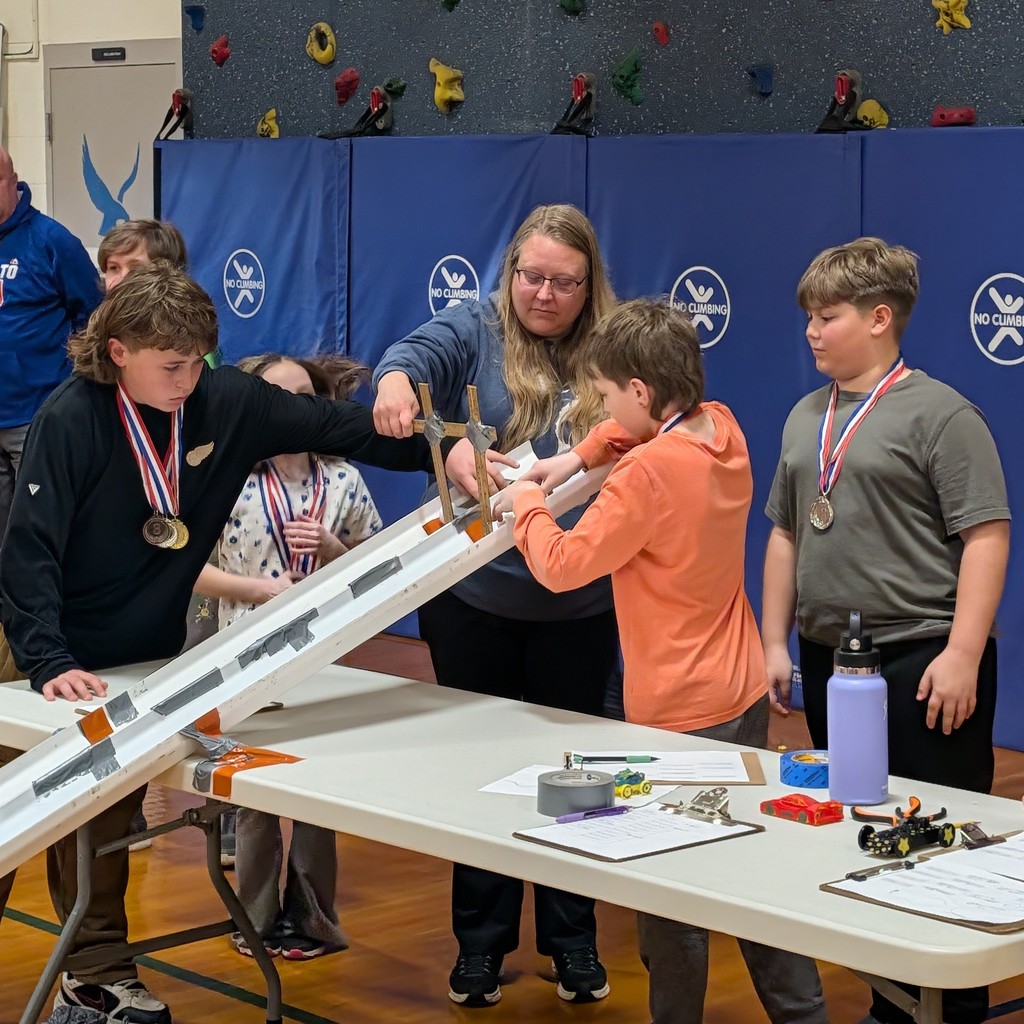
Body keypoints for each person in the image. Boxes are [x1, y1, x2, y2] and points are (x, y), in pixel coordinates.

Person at [0, 263, 459, 1024]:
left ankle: (98, 976)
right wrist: (49, 660)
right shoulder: (70, 417)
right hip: (34, 647)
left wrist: (444, 451)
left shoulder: (225, 403)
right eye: (168, 366)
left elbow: (337, 428)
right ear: (117, 351)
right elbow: (28, 551)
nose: (186, 381)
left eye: (196, 363)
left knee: (104, 815)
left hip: (136, 655)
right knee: (19, 809)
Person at [493, 299, 828, 1024]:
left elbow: (560, 563)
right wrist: (580, 453)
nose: (603, 410)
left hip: (678, 714)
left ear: (641, 391)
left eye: (606, 396)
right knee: (748, 870)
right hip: (737, 692)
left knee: (668, 899)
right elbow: (634, 429)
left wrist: (525, 499)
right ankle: (803, 1013)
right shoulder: (725, 428)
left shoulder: (646, 476)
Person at [372, 203, 620, 1007]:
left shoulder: (615, 345)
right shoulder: (473, 326)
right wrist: (400, 390)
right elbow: (412, 355)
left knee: (573, 778)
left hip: (578, 605)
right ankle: (479, 947)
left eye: (565, 282)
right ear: (509, 272)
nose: (545, 295)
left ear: (591, 286)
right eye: (532, 277)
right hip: (475, 603)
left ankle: (571, 941)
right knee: (479, 772)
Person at [761, 237, 1010, 1024]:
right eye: (806, 315)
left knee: (939, 838)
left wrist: (964, 651)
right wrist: (775, 641)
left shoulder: (942, 413)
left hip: (925, 656)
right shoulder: (809, 416)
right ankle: (891, 1003)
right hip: (834, 660)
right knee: (863, 832)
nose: (810, 329)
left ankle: (955, 1007)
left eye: (826, 316)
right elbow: (786, 534)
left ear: (879, 318)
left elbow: (987, 535)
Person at [194, 352, 381, 961]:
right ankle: (252, 920)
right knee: (252, 803)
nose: (292, 411)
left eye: (304, 397)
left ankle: (314, 921)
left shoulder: (344, 479)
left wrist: (333, 547)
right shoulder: (227, 477)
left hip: (321, 661)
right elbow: (188, 569)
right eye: (277, 397)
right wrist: (255, 591)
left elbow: (379, 565)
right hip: (241, 660)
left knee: (315, 800)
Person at [0, 144, 101, 546]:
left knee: (39, 528)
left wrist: (73, 387)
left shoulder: (51, 240)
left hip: (35, 415)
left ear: (13, 182)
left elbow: (94, 316)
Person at [98, 219, 188, 291]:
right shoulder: (102, 313)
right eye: (113, 268)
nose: (122, 281)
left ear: (169, 272)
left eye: (136, 268)